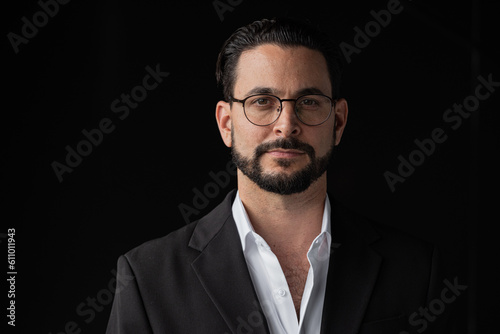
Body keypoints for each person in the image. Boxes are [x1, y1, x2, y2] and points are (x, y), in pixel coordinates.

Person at [106, 18, 453, 334]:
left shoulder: (416, 270)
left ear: (339, 122)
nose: (286, 124)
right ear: (227, 123)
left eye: (310, 102)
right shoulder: (147, 278)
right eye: (262, 101)